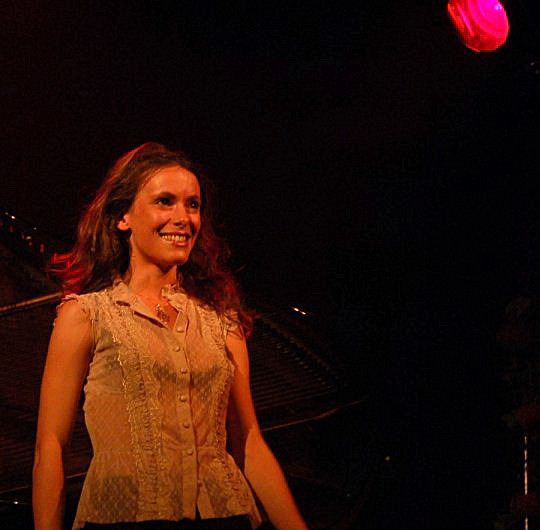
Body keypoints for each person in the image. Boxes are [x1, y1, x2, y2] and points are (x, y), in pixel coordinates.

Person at [32, 143, 307, 530]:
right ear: (122, 216)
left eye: (192, 205)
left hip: (224, 517)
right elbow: (51, 448)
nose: (183, 218)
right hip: (122, 518)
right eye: (165, 201)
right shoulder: (87, 315)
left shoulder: (221, 321)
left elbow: (249, 444)